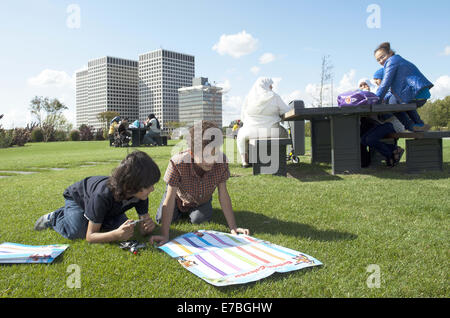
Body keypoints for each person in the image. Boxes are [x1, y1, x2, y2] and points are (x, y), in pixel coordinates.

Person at [150, 120, 249, 246]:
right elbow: (169, 199)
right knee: (161, 219)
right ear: (192, 153)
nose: (210, 161)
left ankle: (192, 210)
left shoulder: (222, 161)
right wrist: (165, 234)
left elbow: (223, 195)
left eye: (214, 154)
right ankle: (180, 211)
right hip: (177, 197)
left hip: (201, 199)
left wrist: (233, 227)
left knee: (200, 221)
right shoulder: (177, 162)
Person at [34, 151, 161, 243]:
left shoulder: (141, 196)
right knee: (78, 232)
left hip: (108, 210)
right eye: (149, 186)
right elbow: (90, 236)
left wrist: (146, 228)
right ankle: (56, 217)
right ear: (132, 185)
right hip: (79, 200)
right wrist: (116, 235)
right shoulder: (103, 195)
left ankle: (99, 218)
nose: (152, 189)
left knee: (121, 226)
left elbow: (143, 226)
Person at [374, 42, 433, 132]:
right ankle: (419, 124)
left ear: (390, 53)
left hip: (415, 92)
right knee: (397, 101)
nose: (381, 61)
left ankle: (410, 126)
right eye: (378, 60)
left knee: (390, 103)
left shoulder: (392, 61)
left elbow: (385, 84)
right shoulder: (398, 60)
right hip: (420, 92)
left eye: (382, 57)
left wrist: (375, 100)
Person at [237, 77, 291, 168]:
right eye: (270, 85)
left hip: (251, 132)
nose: (272, 87)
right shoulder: (275, 96)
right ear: (266, 85)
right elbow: (286, 111)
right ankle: (280, 157)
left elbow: (243, 116)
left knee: (240, 136)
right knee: (285, 133)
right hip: (272, 131)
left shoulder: (248, 98)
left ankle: (245, 162)